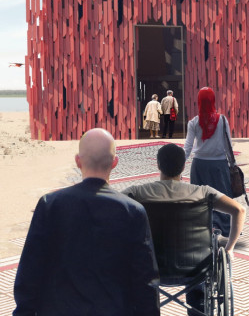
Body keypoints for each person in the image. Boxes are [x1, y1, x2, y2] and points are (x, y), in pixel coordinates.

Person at [13, 128, 159, 316]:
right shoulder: (133, 211)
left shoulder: (50, 205)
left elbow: (30, 271)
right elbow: (145, 281)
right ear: (115, 163)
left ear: (78, 161)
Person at [124, 143, 246, 315]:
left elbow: (112, 207)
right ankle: (198, 309)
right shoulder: (203, 193)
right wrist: (230, 248)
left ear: (158, 164)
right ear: (183, 166)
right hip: (195, 269)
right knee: (203, 265)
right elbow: (239, 210)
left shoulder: (137, 192)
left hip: (150, 268)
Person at [184, 87, 236, 236]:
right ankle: (223, 229)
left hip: (199, 165)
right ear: (213, 100)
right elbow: (228, 145)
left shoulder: (193, 122)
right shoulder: (222, 120)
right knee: (223, 198)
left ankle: (203, 229)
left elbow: (188, 147)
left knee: (200, 199)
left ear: (199, 101)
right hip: (219, 165)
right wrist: (232, 165)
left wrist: (179, 166)